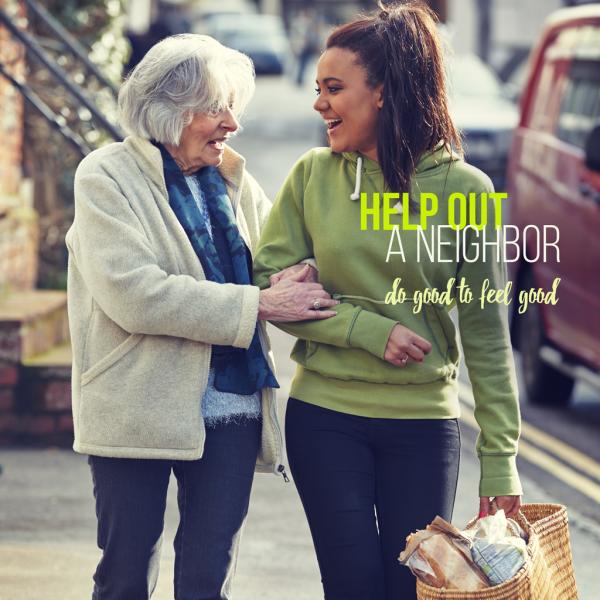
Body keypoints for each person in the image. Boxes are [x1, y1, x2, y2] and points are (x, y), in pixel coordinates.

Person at [253, 3, 522, 599]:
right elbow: (272, 284)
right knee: (351, 587)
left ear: (383, 92)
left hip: (422, 425)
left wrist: (501, 459)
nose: (319, 103)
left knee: (410, 593)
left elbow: (485, 335)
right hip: (327, 418)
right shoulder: (313, 177)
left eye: (334, 88)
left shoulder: (465, 190)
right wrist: (368, 330)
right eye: (319, 88)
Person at [65, 34, 336, 600]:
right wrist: (258, 302)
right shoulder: (104, 177)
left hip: (233, 406)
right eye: (216, 108)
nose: (232, 124)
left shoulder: (235, 178)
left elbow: (271, 262)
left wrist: (289, 277)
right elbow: (134, 294)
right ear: (169, 111)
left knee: (208, 577)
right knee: (125, 572)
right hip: (135, 404)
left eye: (233, 106)